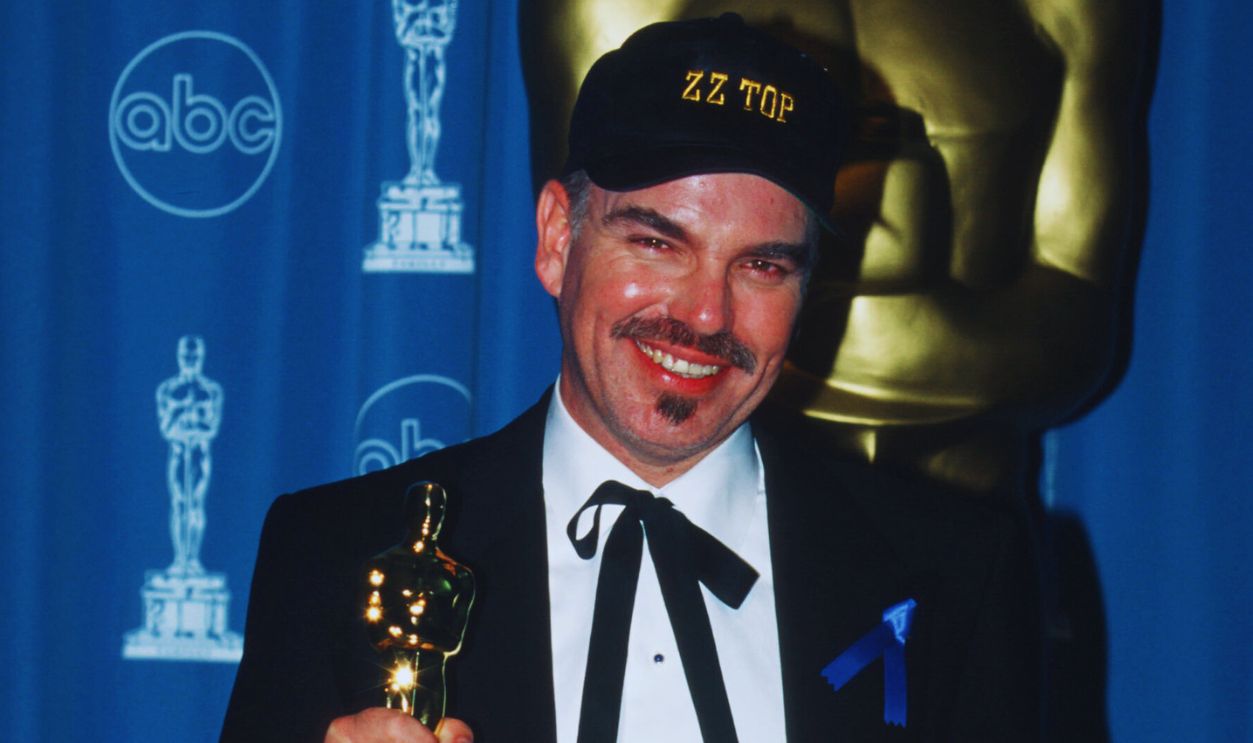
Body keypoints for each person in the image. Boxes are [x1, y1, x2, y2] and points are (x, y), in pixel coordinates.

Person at [221, 15, 1039, 743]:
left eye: (760, 265)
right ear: (556, 238)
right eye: (657, 243)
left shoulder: (952, 571)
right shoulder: (333, 556)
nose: (708, 314)